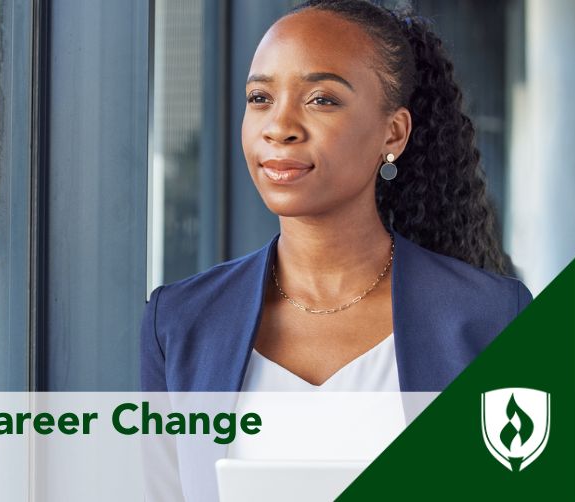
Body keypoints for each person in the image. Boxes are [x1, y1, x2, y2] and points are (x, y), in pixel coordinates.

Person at [140, 1, 532, 498]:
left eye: (321, 99)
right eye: (260, 97)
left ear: (394, 132)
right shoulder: (179, 322)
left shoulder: (493, 318)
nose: (278, 126)